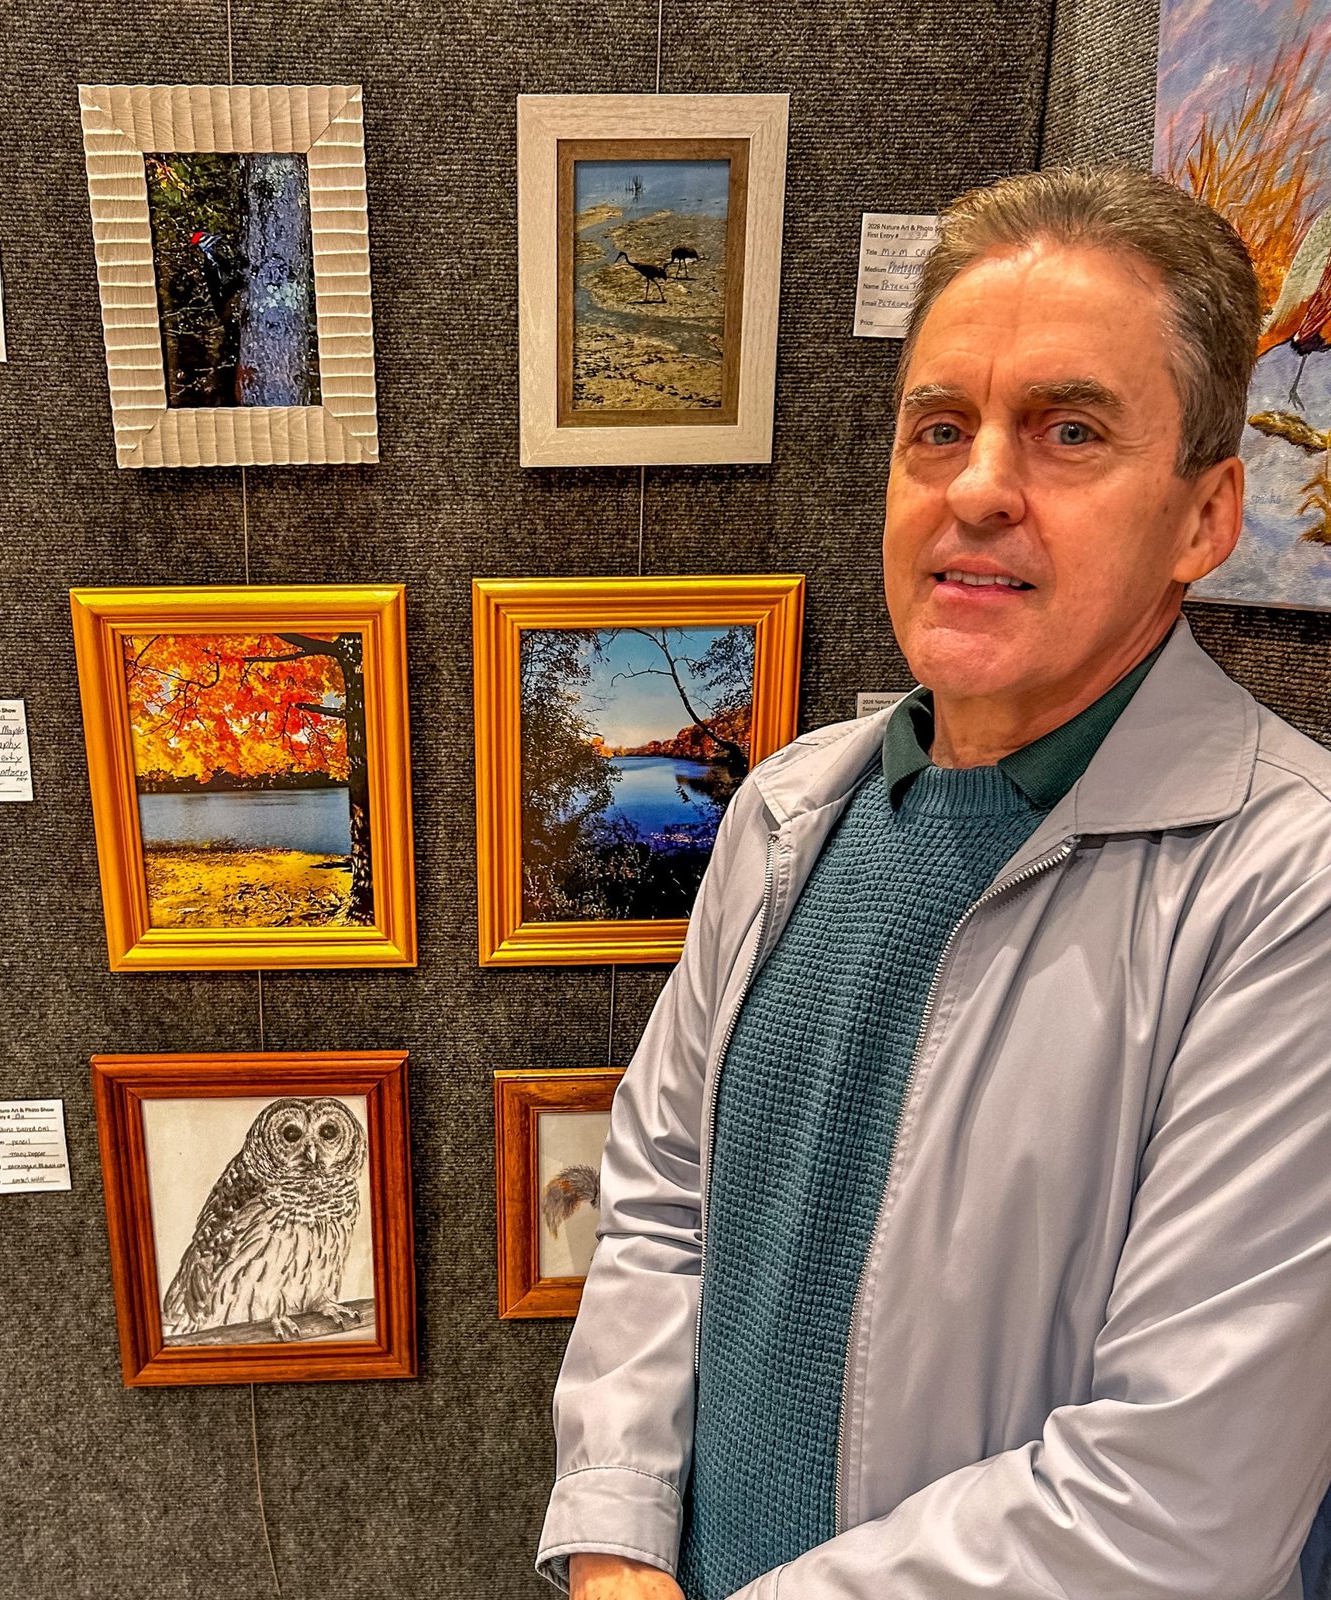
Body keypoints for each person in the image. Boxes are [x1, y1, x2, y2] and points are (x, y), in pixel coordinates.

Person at [536, 164, 1331, 1600]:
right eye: (939, 428)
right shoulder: (790, 809)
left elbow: (1183, 1505)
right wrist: (616, 1545)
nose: (977, 487)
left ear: (1207, 518)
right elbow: (660, 1203)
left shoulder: (1290, 890)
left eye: (1068, 430)